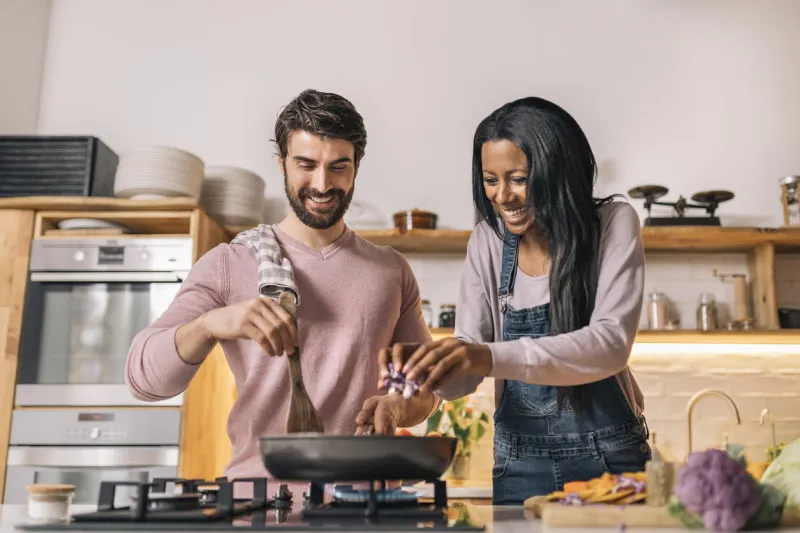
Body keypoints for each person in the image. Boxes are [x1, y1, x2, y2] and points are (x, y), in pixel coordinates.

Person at [126, 89, 440, 488]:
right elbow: (144, 380)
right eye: (306, 165)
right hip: (258, 501)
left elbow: (426, 390)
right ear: (282, 163)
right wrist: (210, 324)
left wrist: (398, 407)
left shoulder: (391, 271)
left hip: (368, 506)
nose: (322, 184)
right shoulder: (231, 263)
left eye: (339, 167)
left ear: (357, 166)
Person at [378, 96, 649, 505]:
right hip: (521, 464)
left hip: (612, 459)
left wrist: (482, 356)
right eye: (490, 180)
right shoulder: (487, 242)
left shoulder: (612, 224)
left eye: (519, 179)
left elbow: (610, 345)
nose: (503, 196)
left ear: (557, 171)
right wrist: (424, 374)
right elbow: (466, 371)